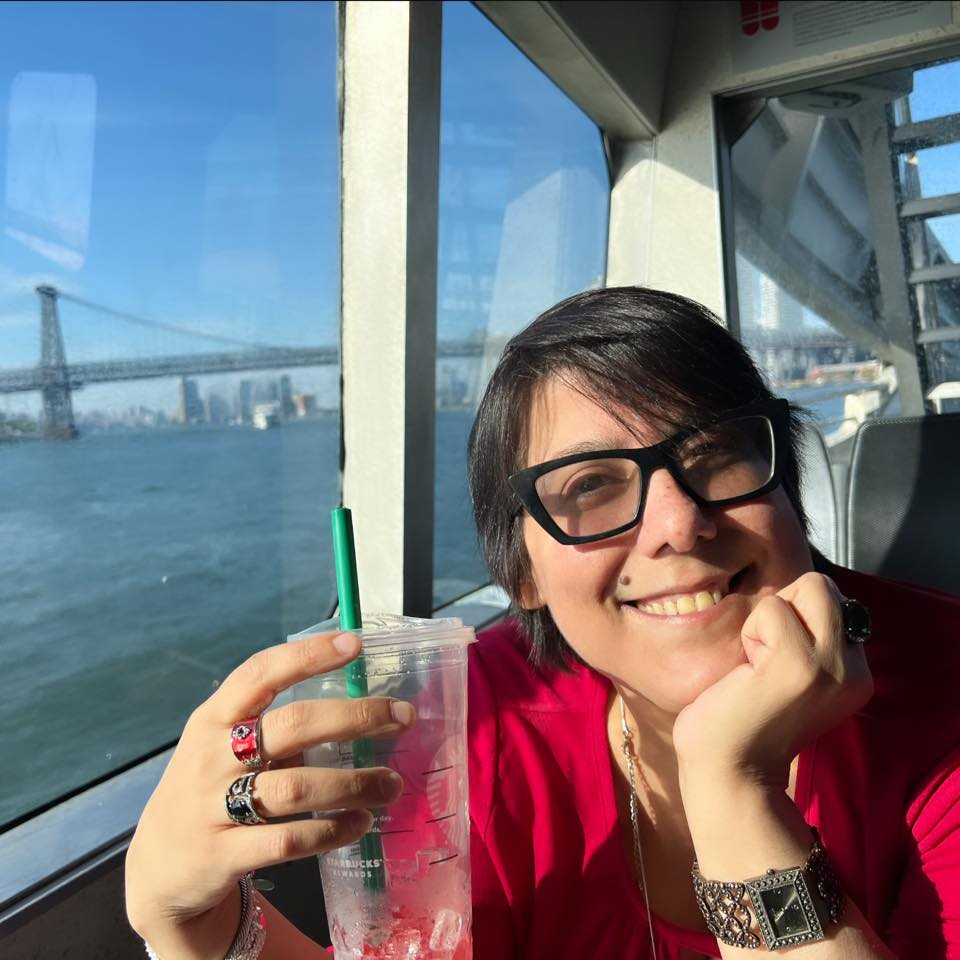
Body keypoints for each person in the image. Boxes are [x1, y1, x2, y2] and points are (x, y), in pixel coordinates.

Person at [125, 287, 960, 960]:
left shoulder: (945, 696)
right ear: (520, 574)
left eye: (720, 455)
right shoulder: (476, 713)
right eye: (591, 486)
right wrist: (198, 930)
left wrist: (731, 790)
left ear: (786, 481)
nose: (678, 522)